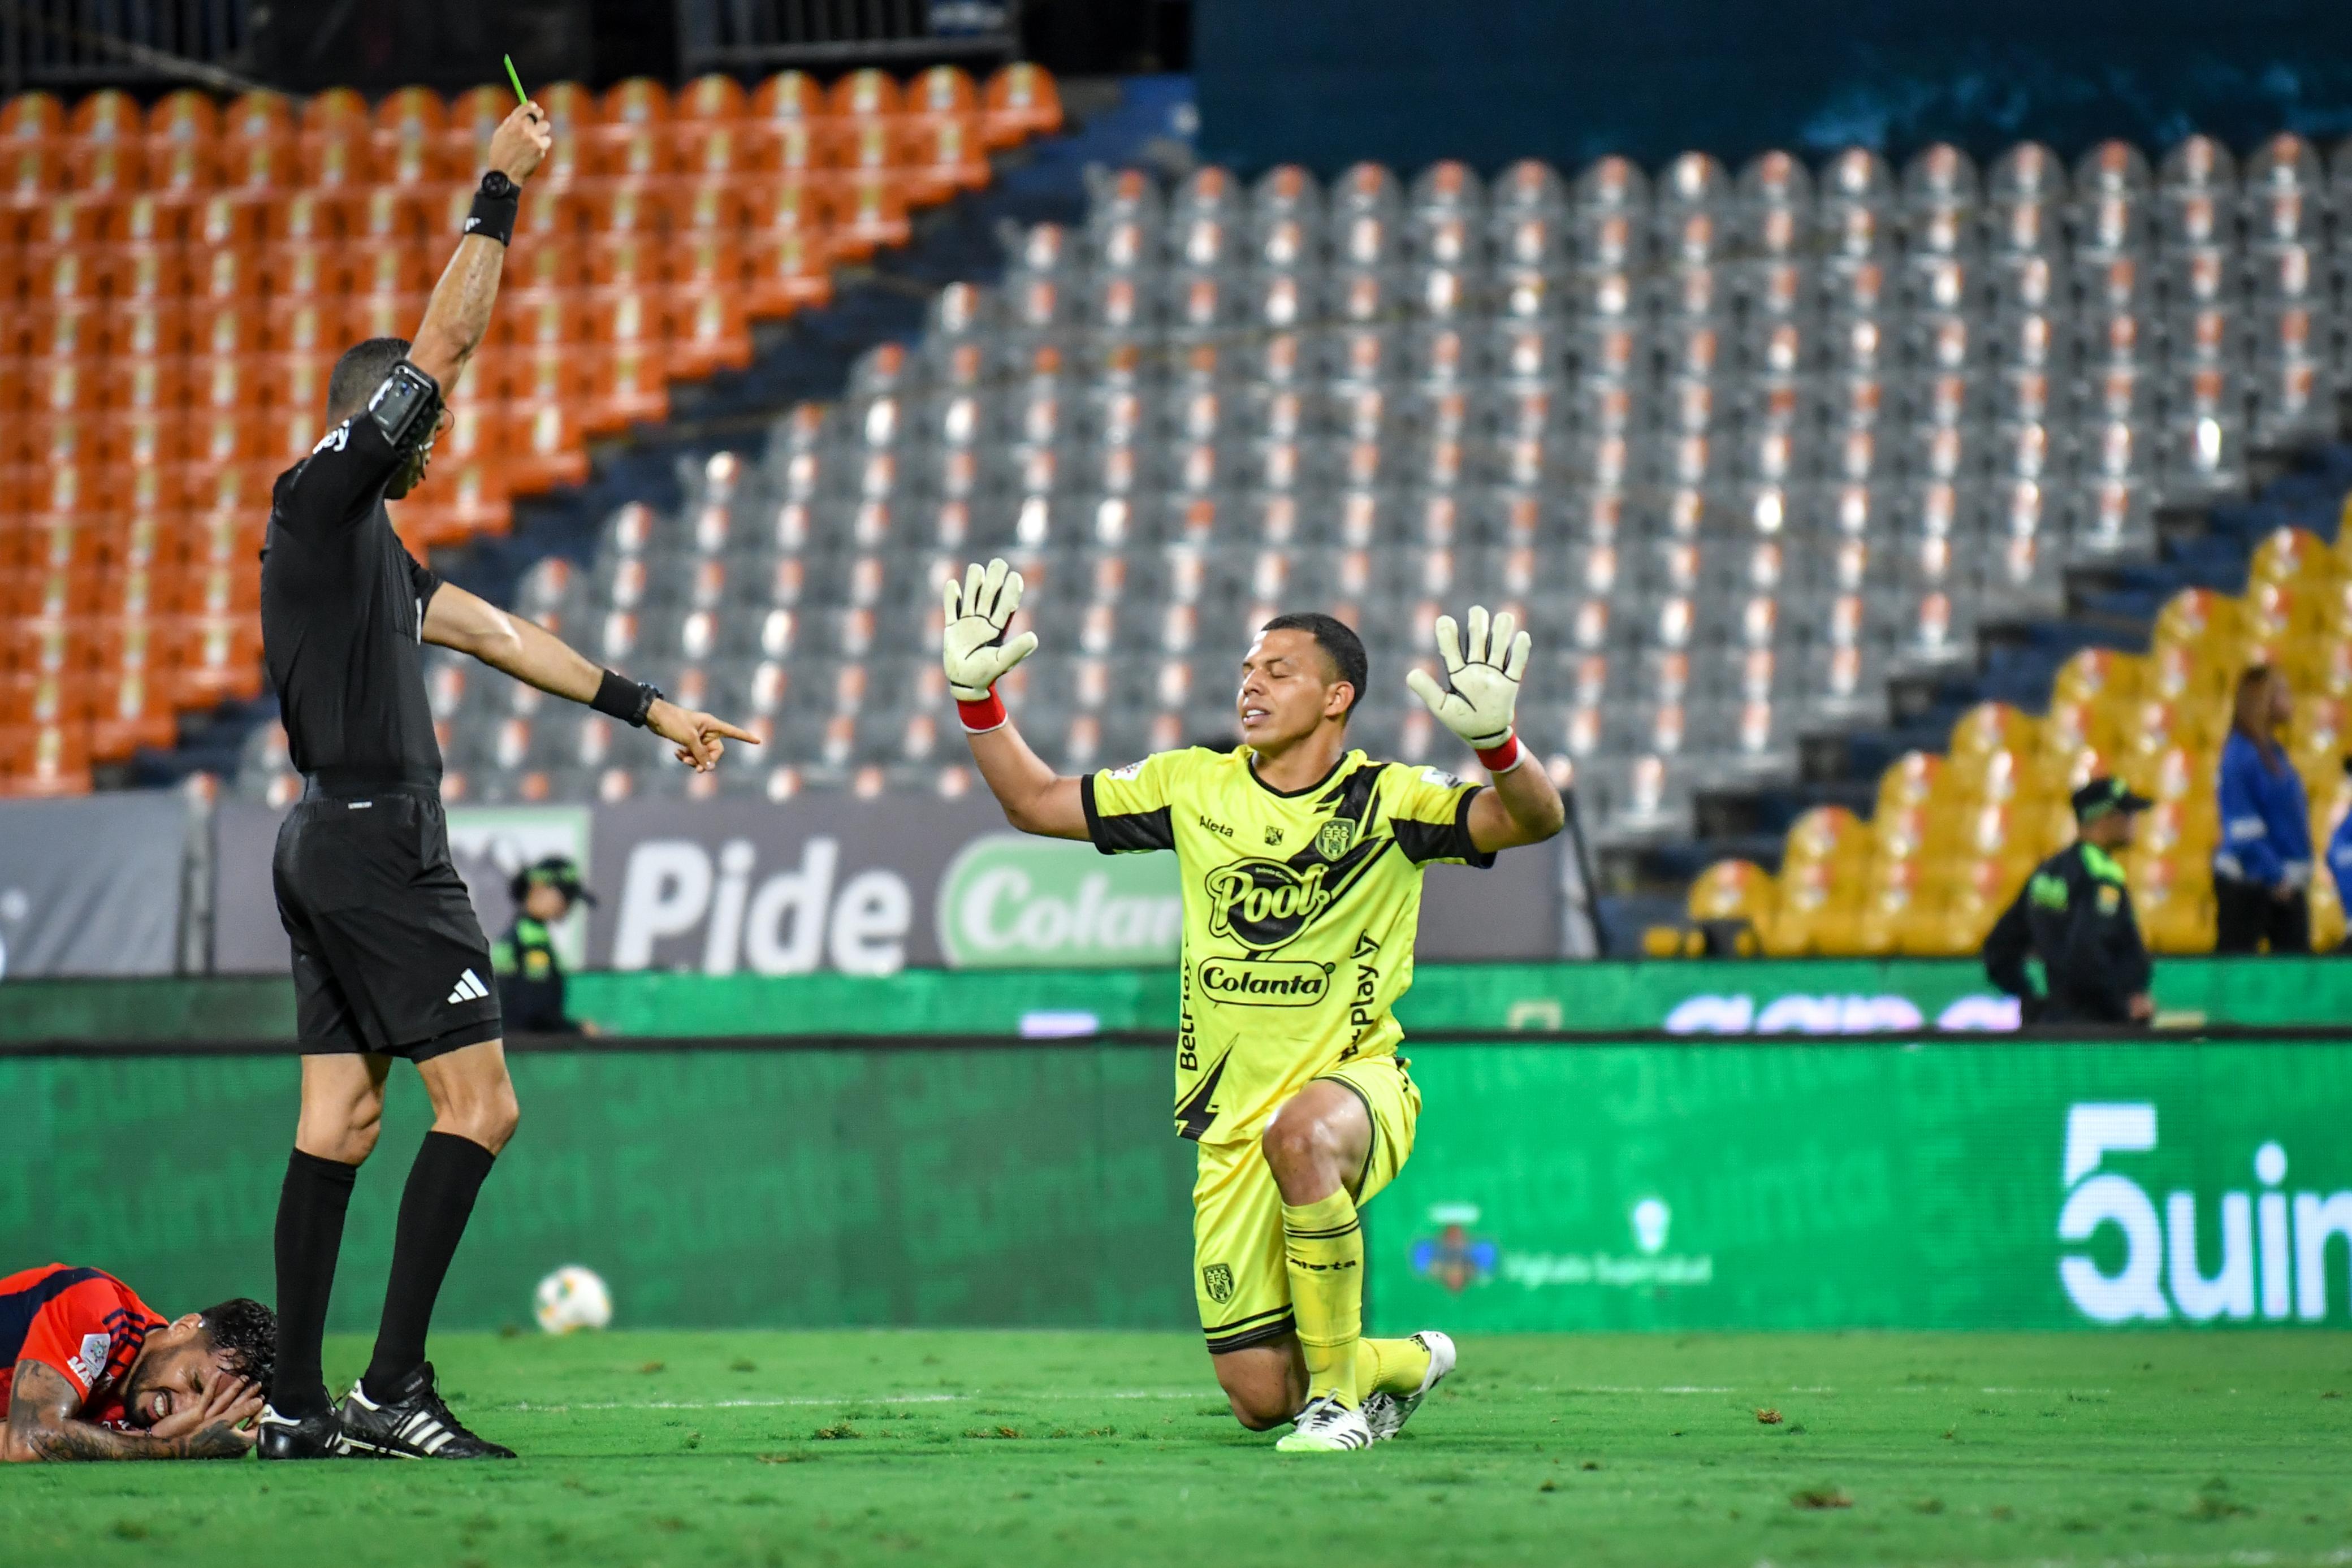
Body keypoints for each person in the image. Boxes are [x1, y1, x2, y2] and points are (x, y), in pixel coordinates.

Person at [256, 101, 758, 1462]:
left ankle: (297, 1409)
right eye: (420, 429)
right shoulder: (321, 497)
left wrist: (650, 705)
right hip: (374, 839)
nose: (438, 440)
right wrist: (499, 186)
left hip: (324, 837)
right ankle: (391, 1387)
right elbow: (447, 342)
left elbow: (490, 630)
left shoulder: (362, 549)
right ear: (379, 423)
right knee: (483, 1105)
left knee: (340, 1118)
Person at [944, 559, 1566, 1452]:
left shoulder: (1391, 800)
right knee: (1260, 1393)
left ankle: (1342, 1405)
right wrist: (977, 700)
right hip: (1228, 1126)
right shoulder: (1194, 785)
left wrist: (1501, 746)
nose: (1252, 683)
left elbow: (1532, 821)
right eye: (1246, 669)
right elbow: (1035, 803)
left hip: (1358, 1087)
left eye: (1279, 671)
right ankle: (1398, 1361)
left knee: (1302, 1134)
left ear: (1336, 697)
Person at [1, 1263, 273, 1462]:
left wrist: (153, 1437)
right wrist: (180, 1447)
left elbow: (10, 1440)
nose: (183, 1410)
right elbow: (28, 1440)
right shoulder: (98, 1309)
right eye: (196, 1384)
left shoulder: (141, 1407)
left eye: (210, 1406)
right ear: (184, 1327)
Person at [1984, 777, 2156, 1026]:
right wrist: (2122, 1005)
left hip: (2050, 1024)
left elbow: (1999, 949)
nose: (2134, 822)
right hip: (2096, 1030)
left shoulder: (2048, 872)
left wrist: (2031, 998)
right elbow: (2088, 954)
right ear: (2105, 818)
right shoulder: (2101, 877)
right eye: (2126, 813)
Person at [2213, 664, 2312, 954]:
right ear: (2261, 700)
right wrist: (2275, 875)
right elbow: (2243, 830)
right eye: (2281, 691)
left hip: (2285, 884)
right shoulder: (2240, 756)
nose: (2289, 698)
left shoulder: (2274, 752)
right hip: (2253, 887)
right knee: (2239, 978)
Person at [494, 856, 593, 1034]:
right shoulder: (530, 942)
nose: (569, 905)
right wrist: (577, 1030)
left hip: (517, 1050)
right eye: (565, 895)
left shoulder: (521, 935)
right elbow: (534, 1012)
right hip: (525, 1055)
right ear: (538, 888)